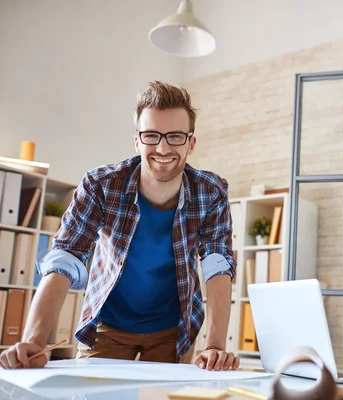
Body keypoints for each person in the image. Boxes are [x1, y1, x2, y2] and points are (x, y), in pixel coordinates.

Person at [0, 81, 239, 371]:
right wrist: (34, 341)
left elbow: (218, 266)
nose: (163, 147)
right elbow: (65, 258)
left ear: (191, 142)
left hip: (173, 330)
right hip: (106, 325)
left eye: (175, 136)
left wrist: (214, 347)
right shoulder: (100, 185)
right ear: (137, 140)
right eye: (151, 135)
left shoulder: (211, 191)